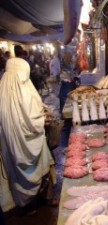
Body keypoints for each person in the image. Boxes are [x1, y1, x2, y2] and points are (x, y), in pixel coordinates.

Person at [0, 45, 55, 213]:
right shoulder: (22, 87)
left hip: (11, 143)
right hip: (30, 140)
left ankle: (26, 204)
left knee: (18, 173)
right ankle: (39, 200)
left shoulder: (3, 89)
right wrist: (43, 119)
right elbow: (31, 119)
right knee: (41, 166)